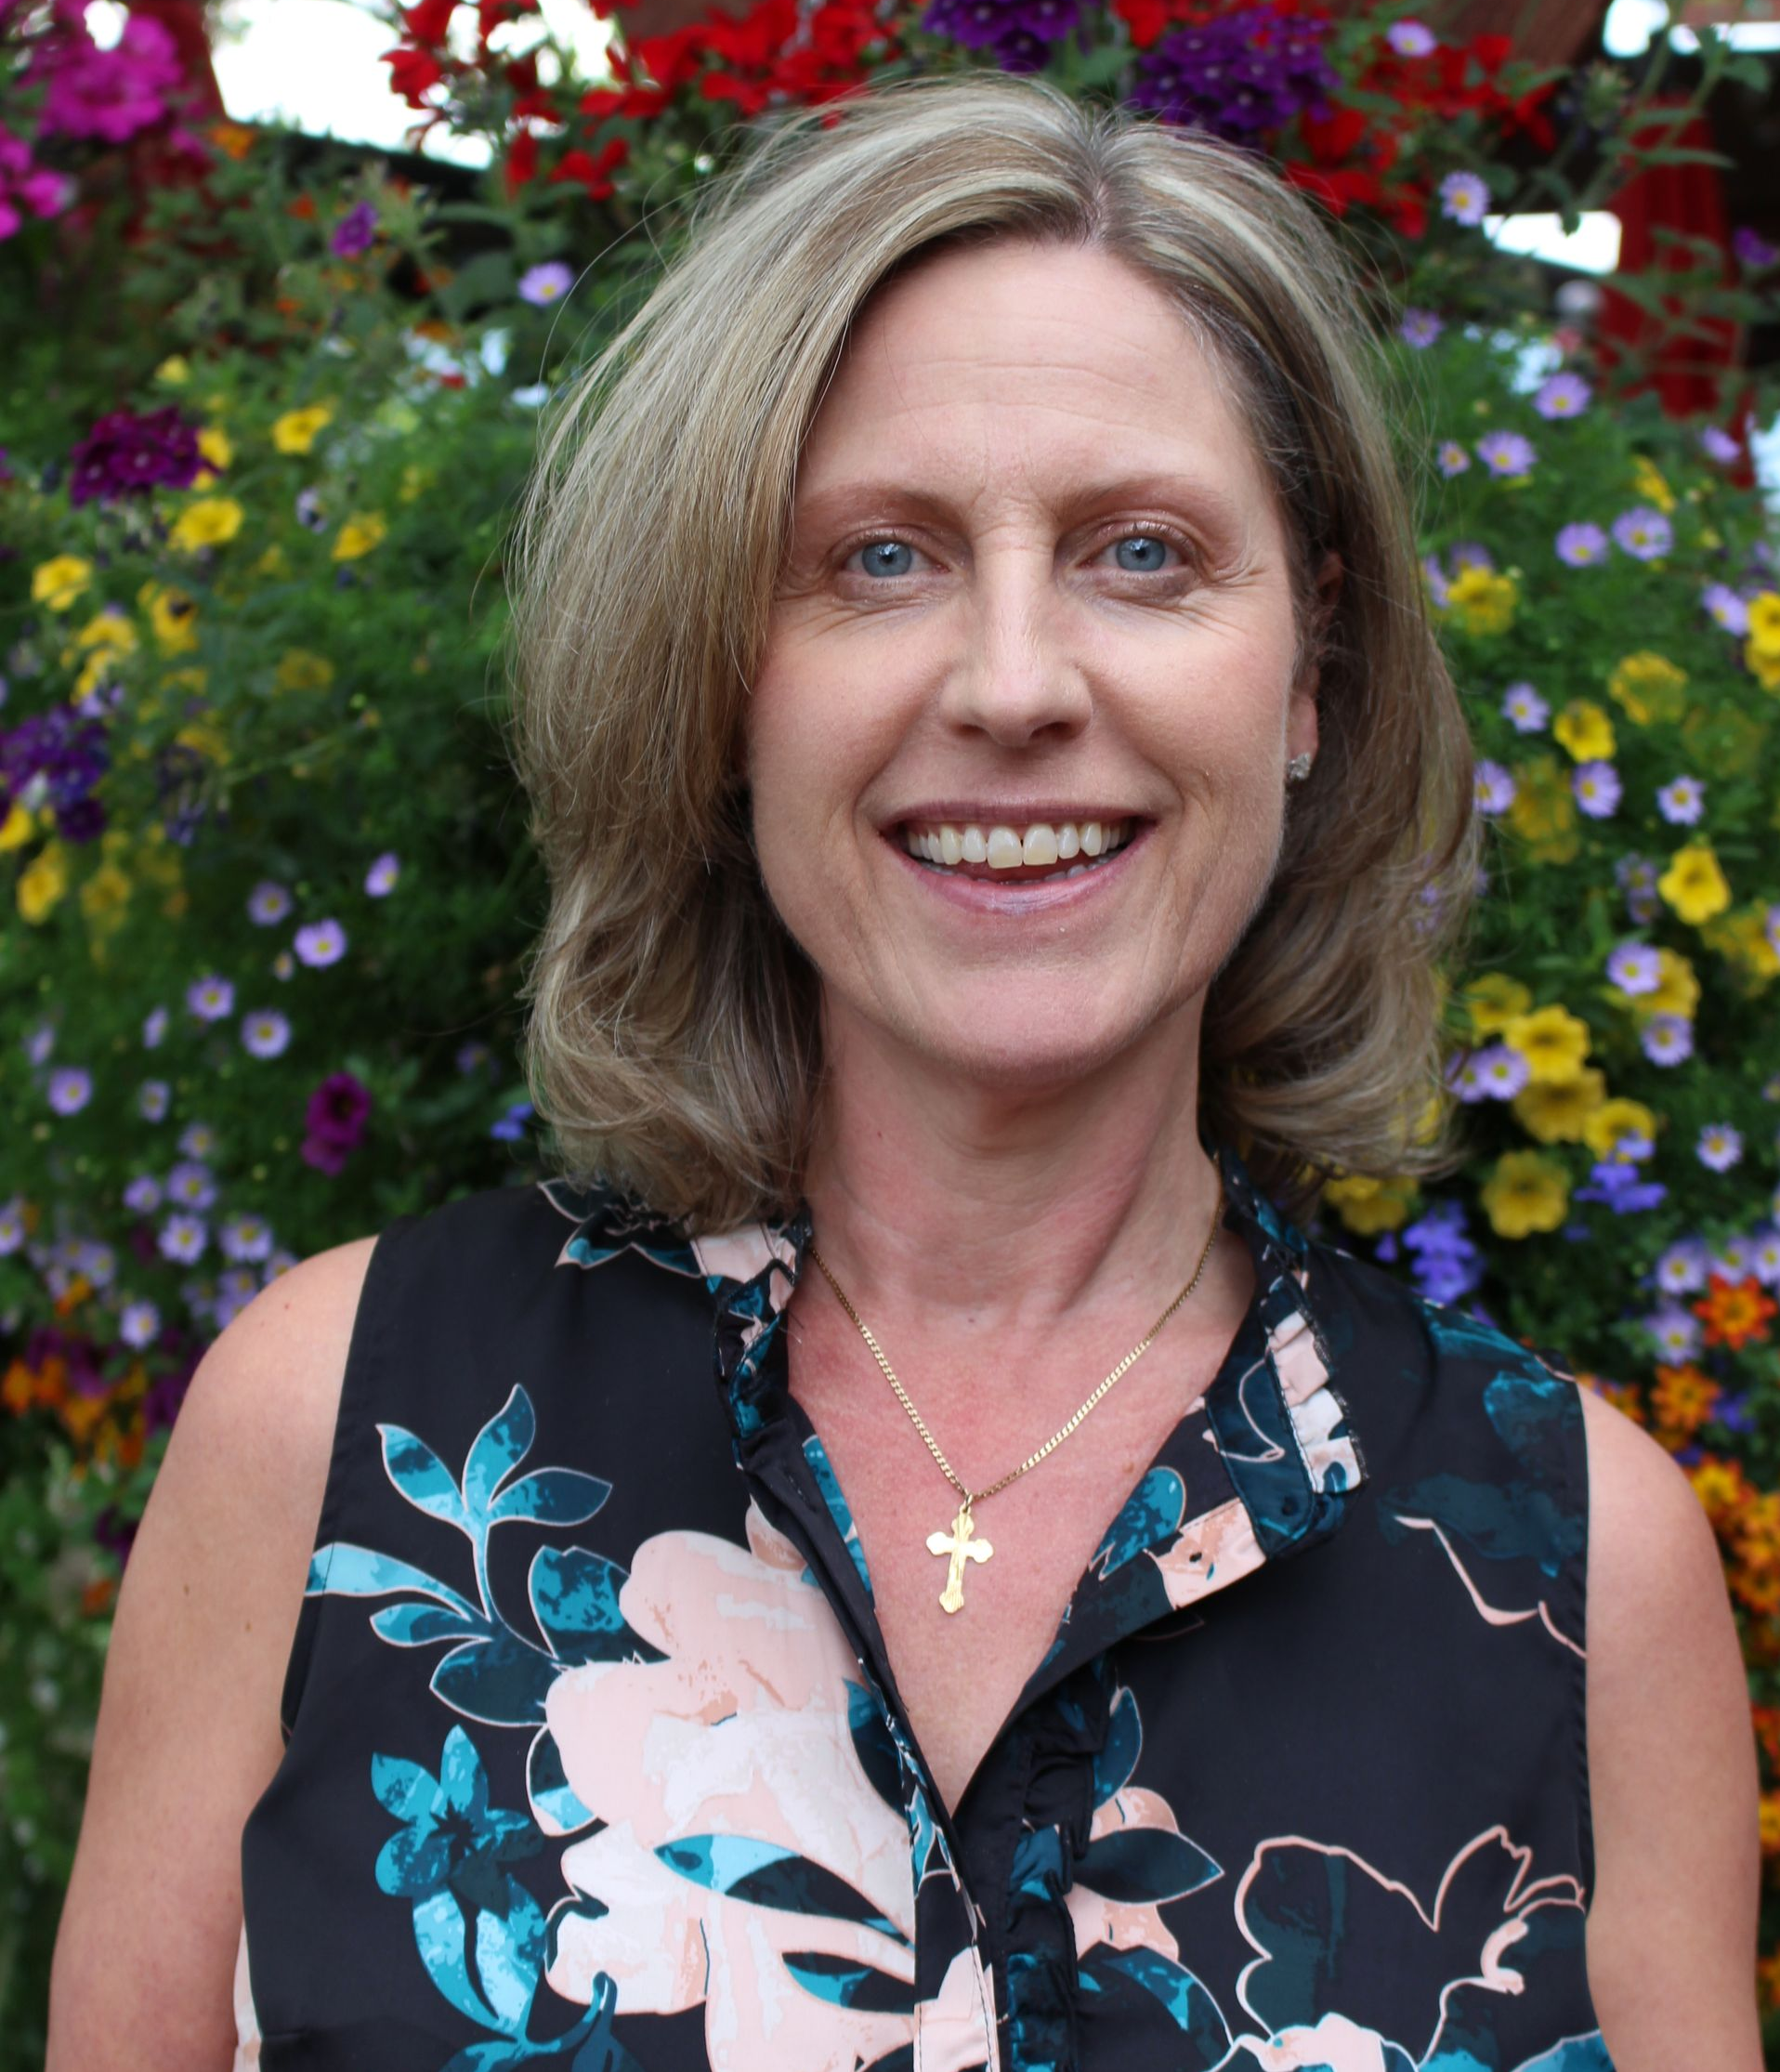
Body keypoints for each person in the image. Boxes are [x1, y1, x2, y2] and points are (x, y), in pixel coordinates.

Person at [48, 70, 1758, 2072]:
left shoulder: (1577, 1561)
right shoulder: (334, 1434)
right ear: (721, 686)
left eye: (1140, 551)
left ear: (1311, 675)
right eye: (877, 558)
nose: (1015, 682)